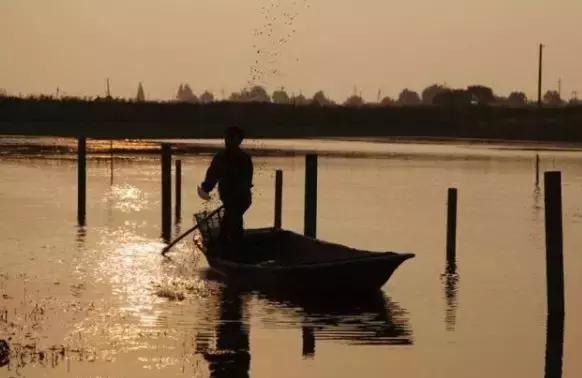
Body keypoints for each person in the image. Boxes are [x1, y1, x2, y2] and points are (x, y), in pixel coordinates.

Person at [198, 126, 253, 257]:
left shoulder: (244, 159)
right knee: (231, 225)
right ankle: (232, 252)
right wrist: (205, 188)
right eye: (227, 137)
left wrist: (236, 195)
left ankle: (234, 254)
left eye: (232, 138)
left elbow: (246, 182)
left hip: (241, 199)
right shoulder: (220, 157)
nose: (228, 141)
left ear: (239, 141)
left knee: (232, 224)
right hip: (228, 199)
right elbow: (212, 176)